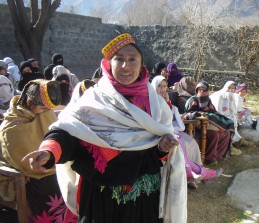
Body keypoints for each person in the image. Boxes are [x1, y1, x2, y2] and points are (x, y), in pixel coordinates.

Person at [22, 33, 187, 223]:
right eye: (119, 59)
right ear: (109, 64)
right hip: (99, 196)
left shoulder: (156, 105)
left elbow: (155, 150)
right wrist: (49, 152)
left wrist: (162, 148)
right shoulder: (93, 98)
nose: (126, 66)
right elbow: (67, 131)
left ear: (142, 65)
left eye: (133, 60)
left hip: (142, 196)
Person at [0, 79, 77, 222]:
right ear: (29, 101)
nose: (46, 111)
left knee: (72, 177)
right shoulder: (11, 125)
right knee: (49, 187)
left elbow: (55, 135)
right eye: (43, 107)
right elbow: (23, 162)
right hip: (29, 177)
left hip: (51, 167)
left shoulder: (43, 114)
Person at [151, 76, 222, 189]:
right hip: (158, 134)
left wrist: (168, 103)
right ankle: (199, 173)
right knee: (178, 142)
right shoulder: (150, 101)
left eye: (164, 86)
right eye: (159, 86)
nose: (163, 89)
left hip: (171, 130)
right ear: (153, 87)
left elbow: (171, 118)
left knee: (191, 143)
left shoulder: (167, 100)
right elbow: (157, 120)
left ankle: (194, 175)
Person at [184, 81, 233, 165]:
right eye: (199, 90)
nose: (202, 92)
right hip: (195, 126)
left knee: (226, 132)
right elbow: (189, 114)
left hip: (208, 124)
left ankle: (218, 156)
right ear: (196, 91)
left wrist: (209, 115)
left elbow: (213, 111)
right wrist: (200, 114)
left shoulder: (208, 100)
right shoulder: (193, 100)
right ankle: (209, 159)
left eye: (204, 90)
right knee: (214, 134)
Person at [209, 81, 243, 155]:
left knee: (234, 119)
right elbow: (218, 110)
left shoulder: (230, 95)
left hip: (225, 116)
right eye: (229, 88)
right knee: (231, 122)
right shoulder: (220, 95)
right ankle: (230, 147)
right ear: (225, 87)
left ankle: (233, 143)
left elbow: (233, 109)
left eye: (233, 89)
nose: (231, 90)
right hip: (216, 117)